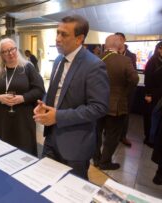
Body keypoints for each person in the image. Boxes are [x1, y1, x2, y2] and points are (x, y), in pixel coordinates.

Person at [33, 15, 109, 180]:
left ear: (79, 39)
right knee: (45, 183)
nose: (58, 38)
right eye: (57, 32)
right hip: (51, 139)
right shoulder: (59, 60)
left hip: (75, 145)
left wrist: (58, 116)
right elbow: (54, 92)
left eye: (64, 34)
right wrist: (44, 104)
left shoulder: (94, 65)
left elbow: (99, 107)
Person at [0, 38, 45, 156]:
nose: (10, 53)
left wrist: (23, 98)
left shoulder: (27, 67)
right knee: (1, 153)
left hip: (23, 118)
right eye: (6, 51)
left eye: (12, 49)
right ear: (1, 55)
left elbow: (39, 90)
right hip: (1, 119)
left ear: (17, 49)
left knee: (24, 152)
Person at [93, 35, 139, 170]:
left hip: (96, 104)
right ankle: (105, 162)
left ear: (105, 45)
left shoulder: (96, 59)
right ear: (120, 46)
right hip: (116, 106)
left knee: (96, 133)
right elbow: (134, 79)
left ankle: (96, 159)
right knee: (112, 136)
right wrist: (124, 93)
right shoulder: (125, 60)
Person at [115, 32, 137, 147]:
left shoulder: (131, 55)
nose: (116, 41)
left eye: (119, 39)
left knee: (125, 113)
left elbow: (133, 75)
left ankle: (123, 136)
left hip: (127, 90)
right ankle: (110, 133)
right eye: (115, 39)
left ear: (123, 40)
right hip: (113, 89)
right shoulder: (110, 54)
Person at [144, 41, 162, 147]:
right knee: (153, 117)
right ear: (159, 49)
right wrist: (148, 94)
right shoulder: (153, 61)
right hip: (155, 94)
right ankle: (150, 139)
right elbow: (147, 80)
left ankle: (157, 139)